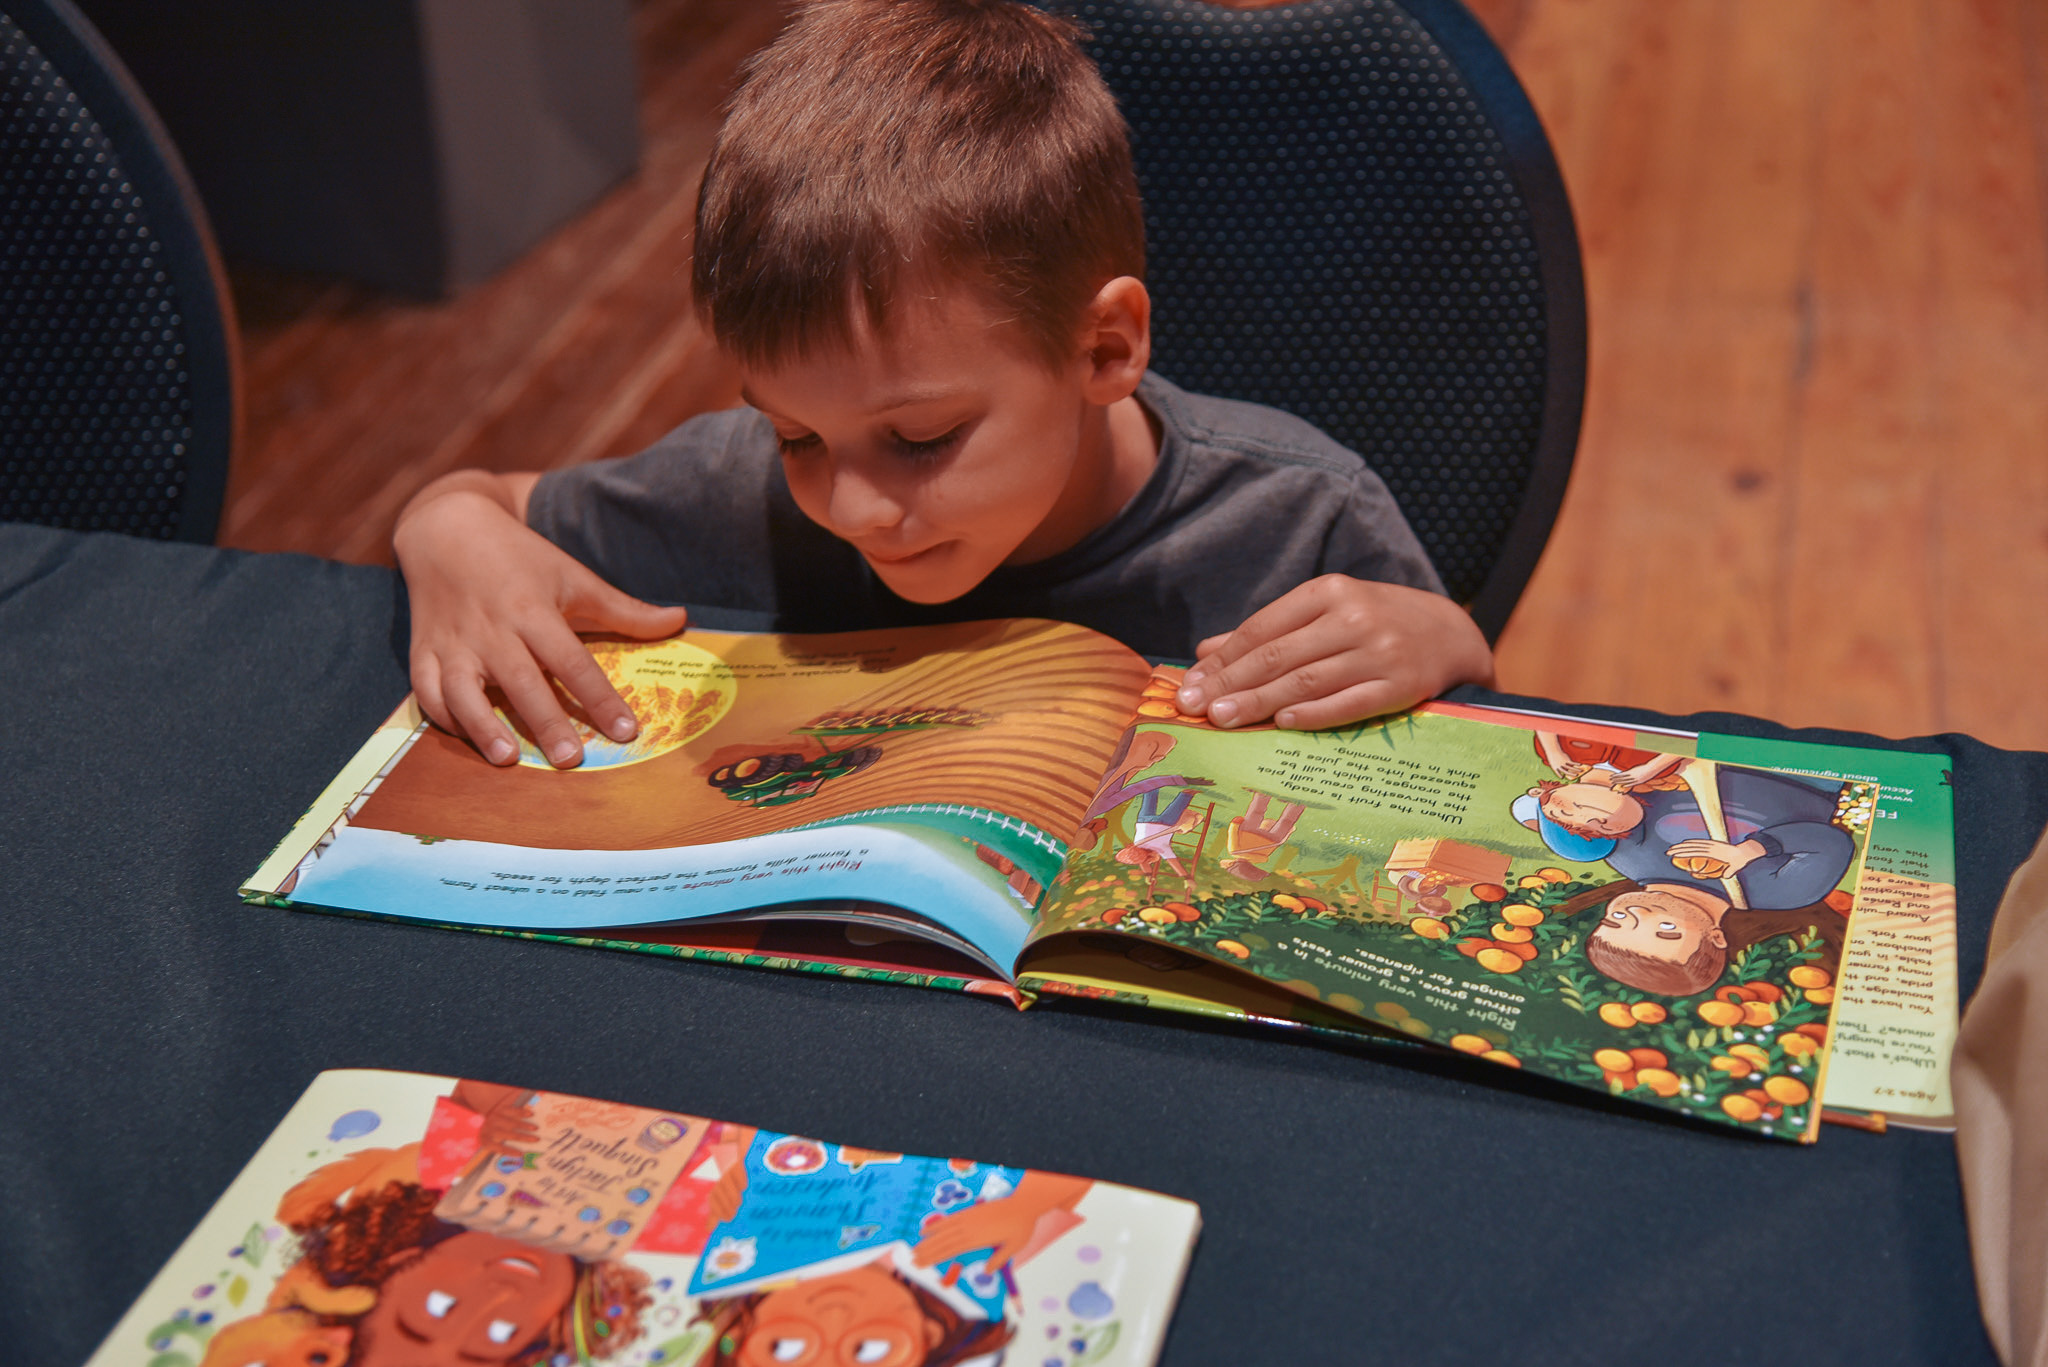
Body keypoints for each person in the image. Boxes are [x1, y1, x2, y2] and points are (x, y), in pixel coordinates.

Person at [391, 0, 1493, 771]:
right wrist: (442, 528)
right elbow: (482, 504)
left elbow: (1490, 743)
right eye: (794, 435)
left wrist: (1449, 642)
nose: (851, 505)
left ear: (1104, 348)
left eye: (919, 438)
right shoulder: (743, 495)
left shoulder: (1303, 524)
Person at [1570, 767, 1857, 995]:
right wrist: (1749, 851)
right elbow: (1833, 844)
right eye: (1666, 929)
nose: (1638, 913)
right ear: (1717, 937)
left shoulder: (1627, 857)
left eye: (1616, 919)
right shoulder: (1785, 894)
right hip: (1803, 775)